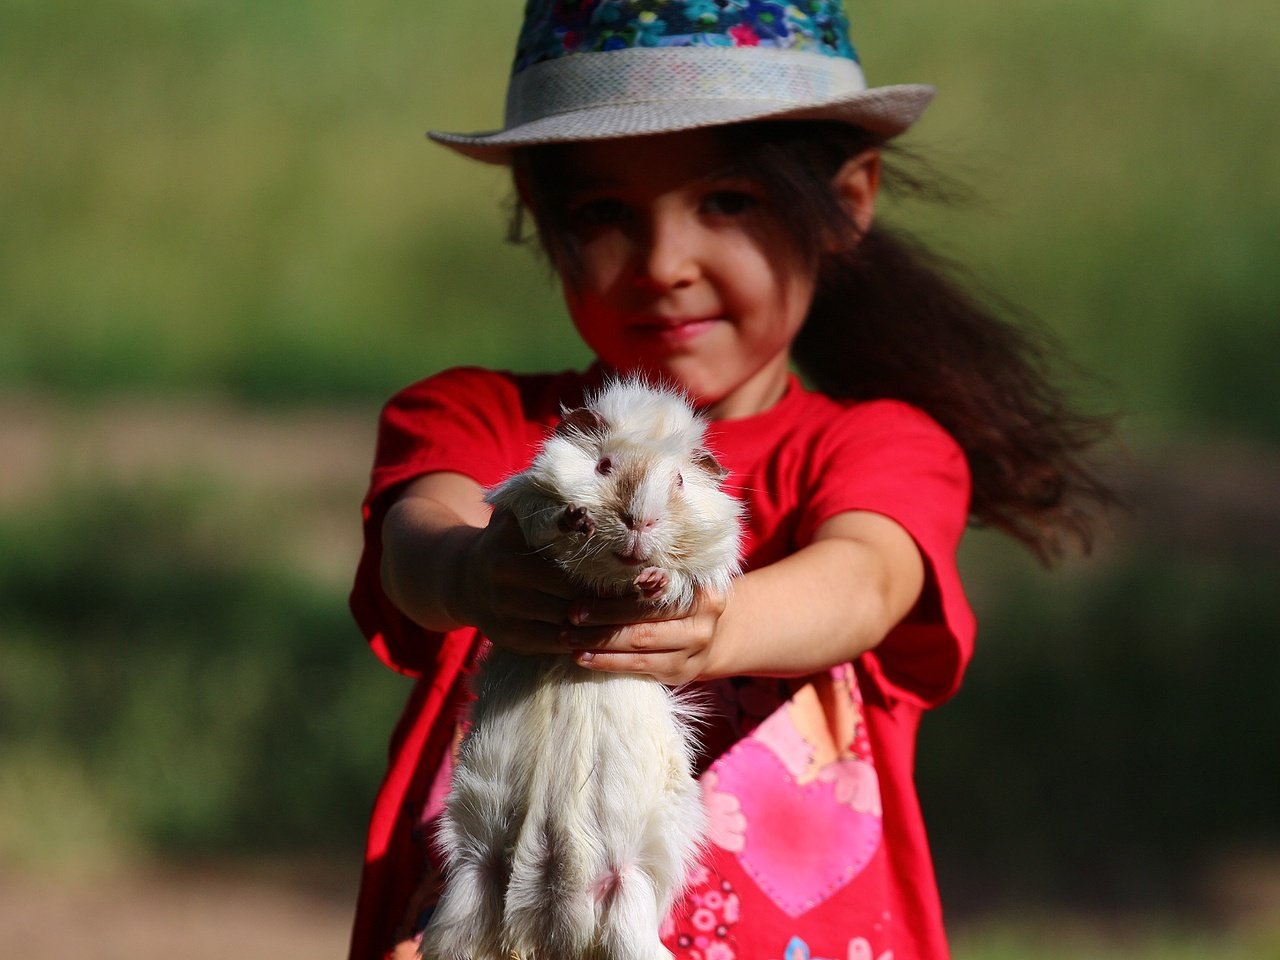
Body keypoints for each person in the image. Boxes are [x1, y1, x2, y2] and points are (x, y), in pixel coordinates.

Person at [347, 3, 1115, 959]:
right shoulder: (485, 419)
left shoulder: (877, 445)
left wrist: (720, 625)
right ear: (541, 225)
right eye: (604, 214)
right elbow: (415, 535)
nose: (665, 265)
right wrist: (468, 573)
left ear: (849, 202)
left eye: (728, 202)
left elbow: (869, 578)